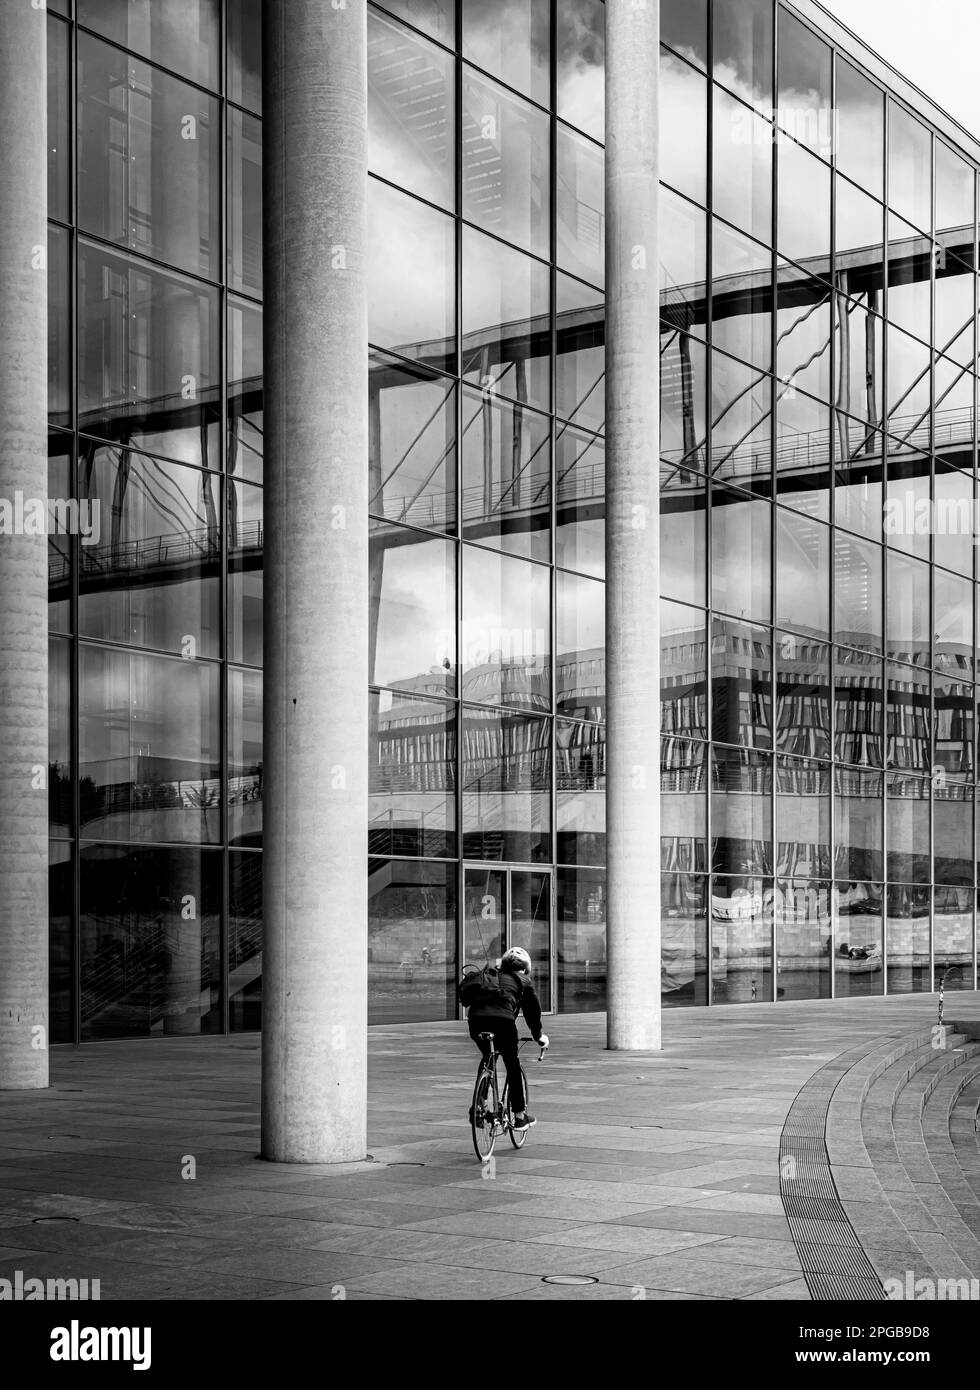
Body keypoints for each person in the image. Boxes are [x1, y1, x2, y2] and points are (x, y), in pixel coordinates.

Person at [462, 947, 549, 1130]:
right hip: (503, 1023)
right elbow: (533, 1014)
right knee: (512, 1063)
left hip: (476, 1021)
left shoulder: (489, 976)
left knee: (488, 1056)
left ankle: (479, 1105)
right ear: (525, 968)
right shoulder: (524, 980)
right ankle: (519, 1116)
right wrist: (539, 1036)